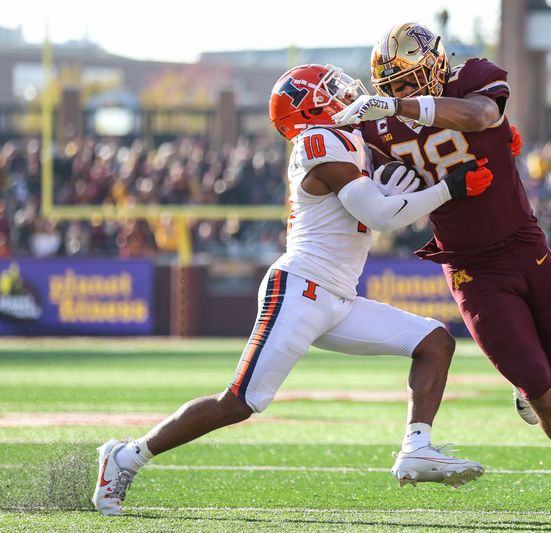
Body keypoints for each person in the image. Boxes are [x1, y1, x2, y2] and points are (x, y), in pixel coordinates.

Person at [92, 63, 492, 516]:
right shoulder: (318, 140)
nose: (344, 92)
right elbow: (381, 217)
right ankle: (125, 456)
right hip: (301, 288)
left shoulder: (351, 141)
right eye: (330, 90)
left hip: (338, 296)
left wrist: (486, 152)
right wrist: (447, 189)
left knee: (435, 341)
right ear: (310, 106)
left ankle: (416, 448)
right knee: (239, 402)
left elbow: (392, 192)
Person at [333, 23, 551, 519]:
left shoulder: (472, 80)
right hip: (470, 269)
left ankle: (529, 388)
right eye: (392, 87)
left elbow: (482, 114)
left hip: (526, 247)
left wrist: (400, 108)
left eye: (409, 81)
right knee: (546, 393)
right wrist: (385, 187)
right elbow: (355, 185)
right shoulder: (374, 129)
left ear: (437, 67)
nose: (400, 92)